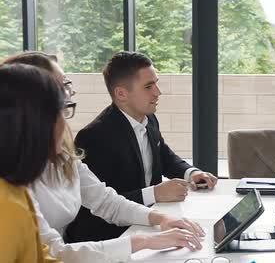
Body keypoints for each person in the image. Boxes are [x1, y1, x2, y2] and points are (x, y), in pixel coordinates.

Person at [4, 52, 206, 263]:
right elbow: (54, 252)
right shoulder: (12, 189)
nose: (70, 95)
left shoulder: (62, 155)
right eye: (61, 92)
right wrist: (143, 241)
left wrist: (161, 219)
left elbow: (106, 200)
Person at [65, 51, 217, 242]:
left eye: (156, 83)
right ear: (121, 94)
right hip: (109, 238)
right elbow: (100, 204)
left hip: (148, 224)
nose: (157, 92)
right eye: (148, 86)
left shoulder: (149, 119)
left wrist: (191, 173)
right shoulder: (94, 137)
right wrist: (155, 193)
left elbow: (163, 155)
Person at [0, 63, 63, 263]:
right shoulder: (6, 206)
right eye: (60, 112)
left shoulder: (16, 190)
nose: (64, 123)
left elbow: (40, 256)